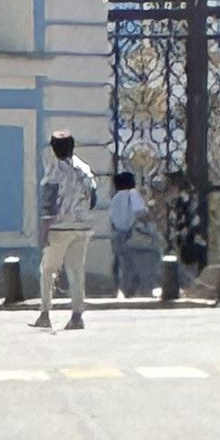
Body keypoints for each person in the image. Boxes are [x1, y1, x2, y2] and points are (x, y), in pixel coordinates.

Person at [34, 128, 100, 330]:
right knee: (76, 271)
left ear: (54, 149)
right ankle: (77, 316)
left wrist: (43, 232)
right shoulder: (84, 169)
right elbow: (94, 197)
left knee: (47, 269)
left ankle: (45, 313)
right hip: (82, 226)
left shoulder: (53, 171)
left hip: (60, 228)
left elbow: (48, 206)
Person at [108, 167, 161, 299]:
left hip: (118, 236)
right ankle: (145, 290)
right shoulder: (132, 194)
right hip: (134, 235)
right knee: (142, 263)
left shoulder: (115, 198)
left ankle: (125, 290)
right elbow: (141, 213)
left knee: (124, 265)